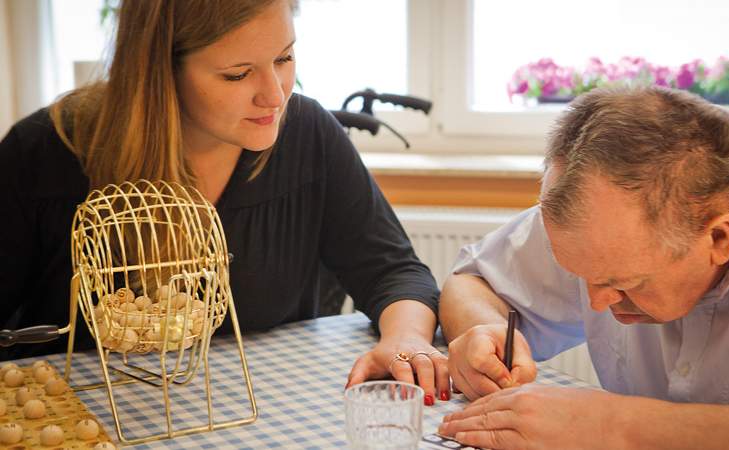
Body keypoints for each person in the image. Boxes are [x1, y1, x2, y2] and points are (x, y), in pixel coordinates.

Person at [0, 0, 450, 405]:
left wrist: (406, 339)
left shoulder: (308, 135)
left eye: (284, 57)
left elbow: (393, 271)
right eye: (237, 73)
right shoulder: (43, 153)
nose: (275, 95)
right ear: (159, 71)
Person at [437, 86, 729, 448]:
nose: (596, 304)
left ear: (719, 239)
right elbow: (472, 281)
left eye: (626, 283)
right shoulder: (604, 212)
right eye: (581, 278)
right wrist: (482, 328)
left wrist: (621, 426)